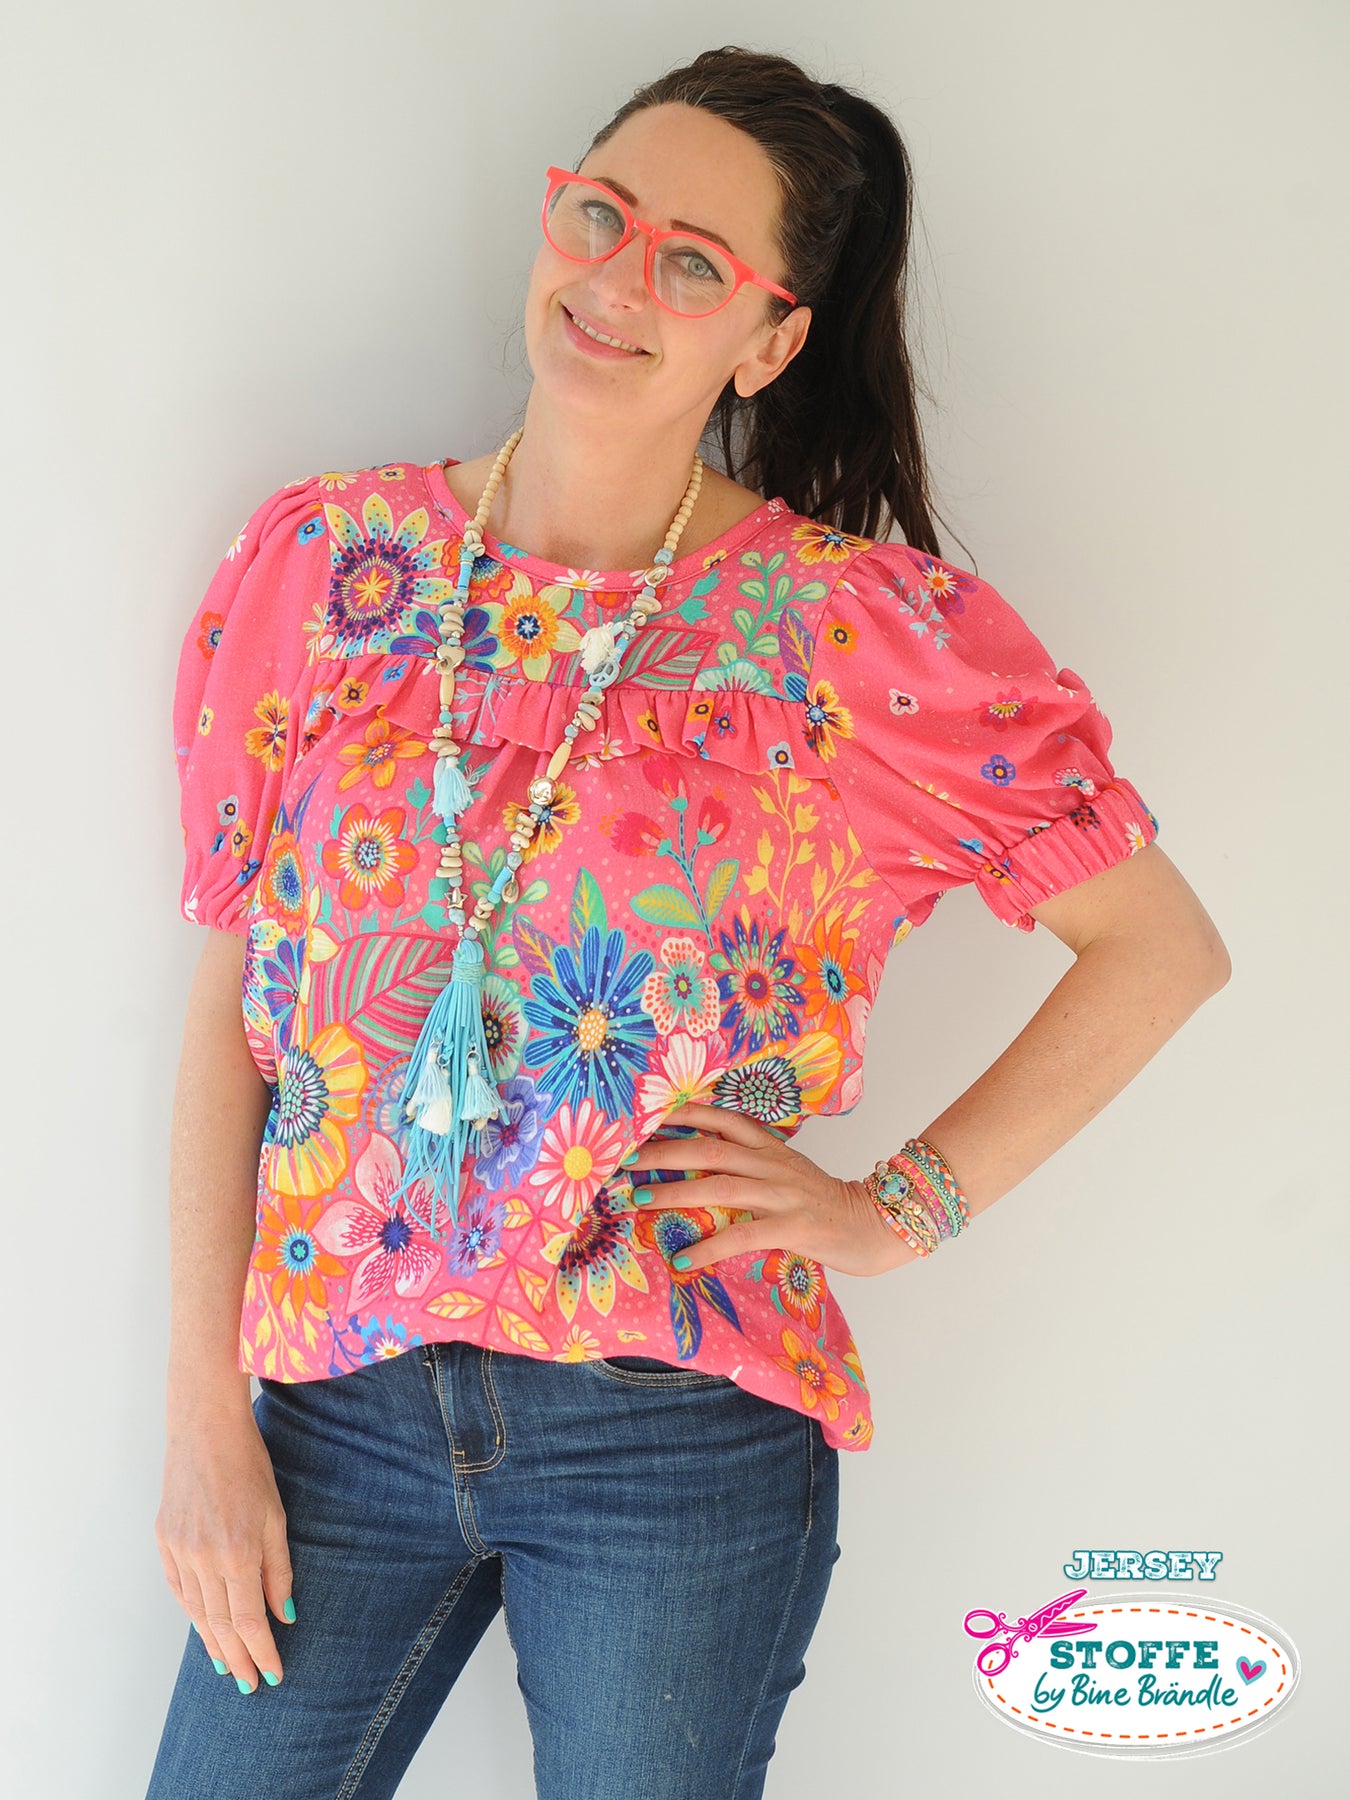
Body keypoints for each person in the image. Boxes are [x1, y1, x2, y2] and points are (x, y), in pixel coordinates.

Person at [146, 44, 1230, 1800]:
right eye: (601, 215)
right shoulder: (328, 568)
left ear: (769, 340)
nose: (619, 278)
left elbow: (1159, 947)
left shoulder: (854, 638)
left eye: (694, 262)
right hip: (332, 1410)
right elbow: (232, 1013)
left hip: (672, 1436)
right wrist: (203, 1414)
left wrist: (893, 1212)